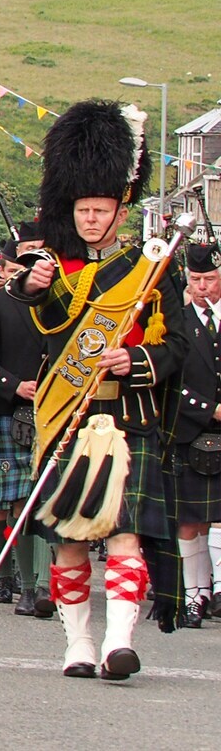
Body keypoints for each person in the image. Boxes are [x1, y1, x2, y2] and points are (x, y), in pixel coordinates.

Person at [17, 100, 187, 681]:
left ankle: (119, 642)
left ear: (122, 209)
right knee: (69, 541)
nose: (91, 219)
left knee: (123, 537)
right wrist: (35, 289)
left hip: (128, 417)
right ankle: (78, 644)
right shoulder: (57, 270)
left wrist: (133, 359)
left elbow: (174, 349)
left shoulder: (152, 269)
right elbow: (53, 327)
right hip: (66, 416)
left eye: (102, 209)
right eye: (83, 209)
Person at [0, 248, 49, 615]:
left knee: (42, 503)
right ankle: (16, 582)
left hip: (56, 415)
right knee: (11, 502)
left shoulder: (63, 304)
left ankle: (40, 585)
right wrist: (16, 386)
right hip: (10, 415)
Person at [170, 242, 221, 628]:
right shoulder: (180, 323)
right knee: (191, 520)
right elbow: (173, 381)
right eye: (196, 279)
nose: (202, 286)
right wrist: (209, 409)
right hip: (192, 432)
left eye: (210, 279)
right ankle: (194, 595)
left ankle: (217, 590)